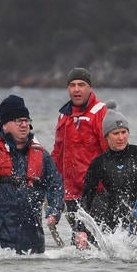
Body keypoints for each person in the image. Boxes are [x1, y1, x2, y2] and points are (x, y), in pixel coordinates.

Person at [0, 91, 63, 254]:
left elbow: (56, 185)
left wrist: (54, 211)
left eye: (26, 120)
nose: (24, 124)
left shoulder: (42, 156)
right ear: (5, 125)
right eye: (18, 120)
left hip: (33, 243)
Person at [52, 67, 110, 241]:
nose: (76, 89)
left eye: (81, 85)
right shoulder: (64, 115)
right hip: (70, 193)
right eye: (72, 85)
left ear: (90, 88)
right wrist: (52, 184)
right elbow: (57, 153)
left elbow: (109, 153)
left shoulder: (100, 112)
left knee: (88, 241)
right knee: (79, 245)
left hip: (97, 193)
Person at [79, 110, 137, 234]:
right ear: (106, 136)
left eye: (124, 132)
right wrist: (82, 230)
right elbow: (86, 199)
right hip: (114, 224)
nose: (121, 138)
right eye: (115, 133)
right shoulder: (99, 163)